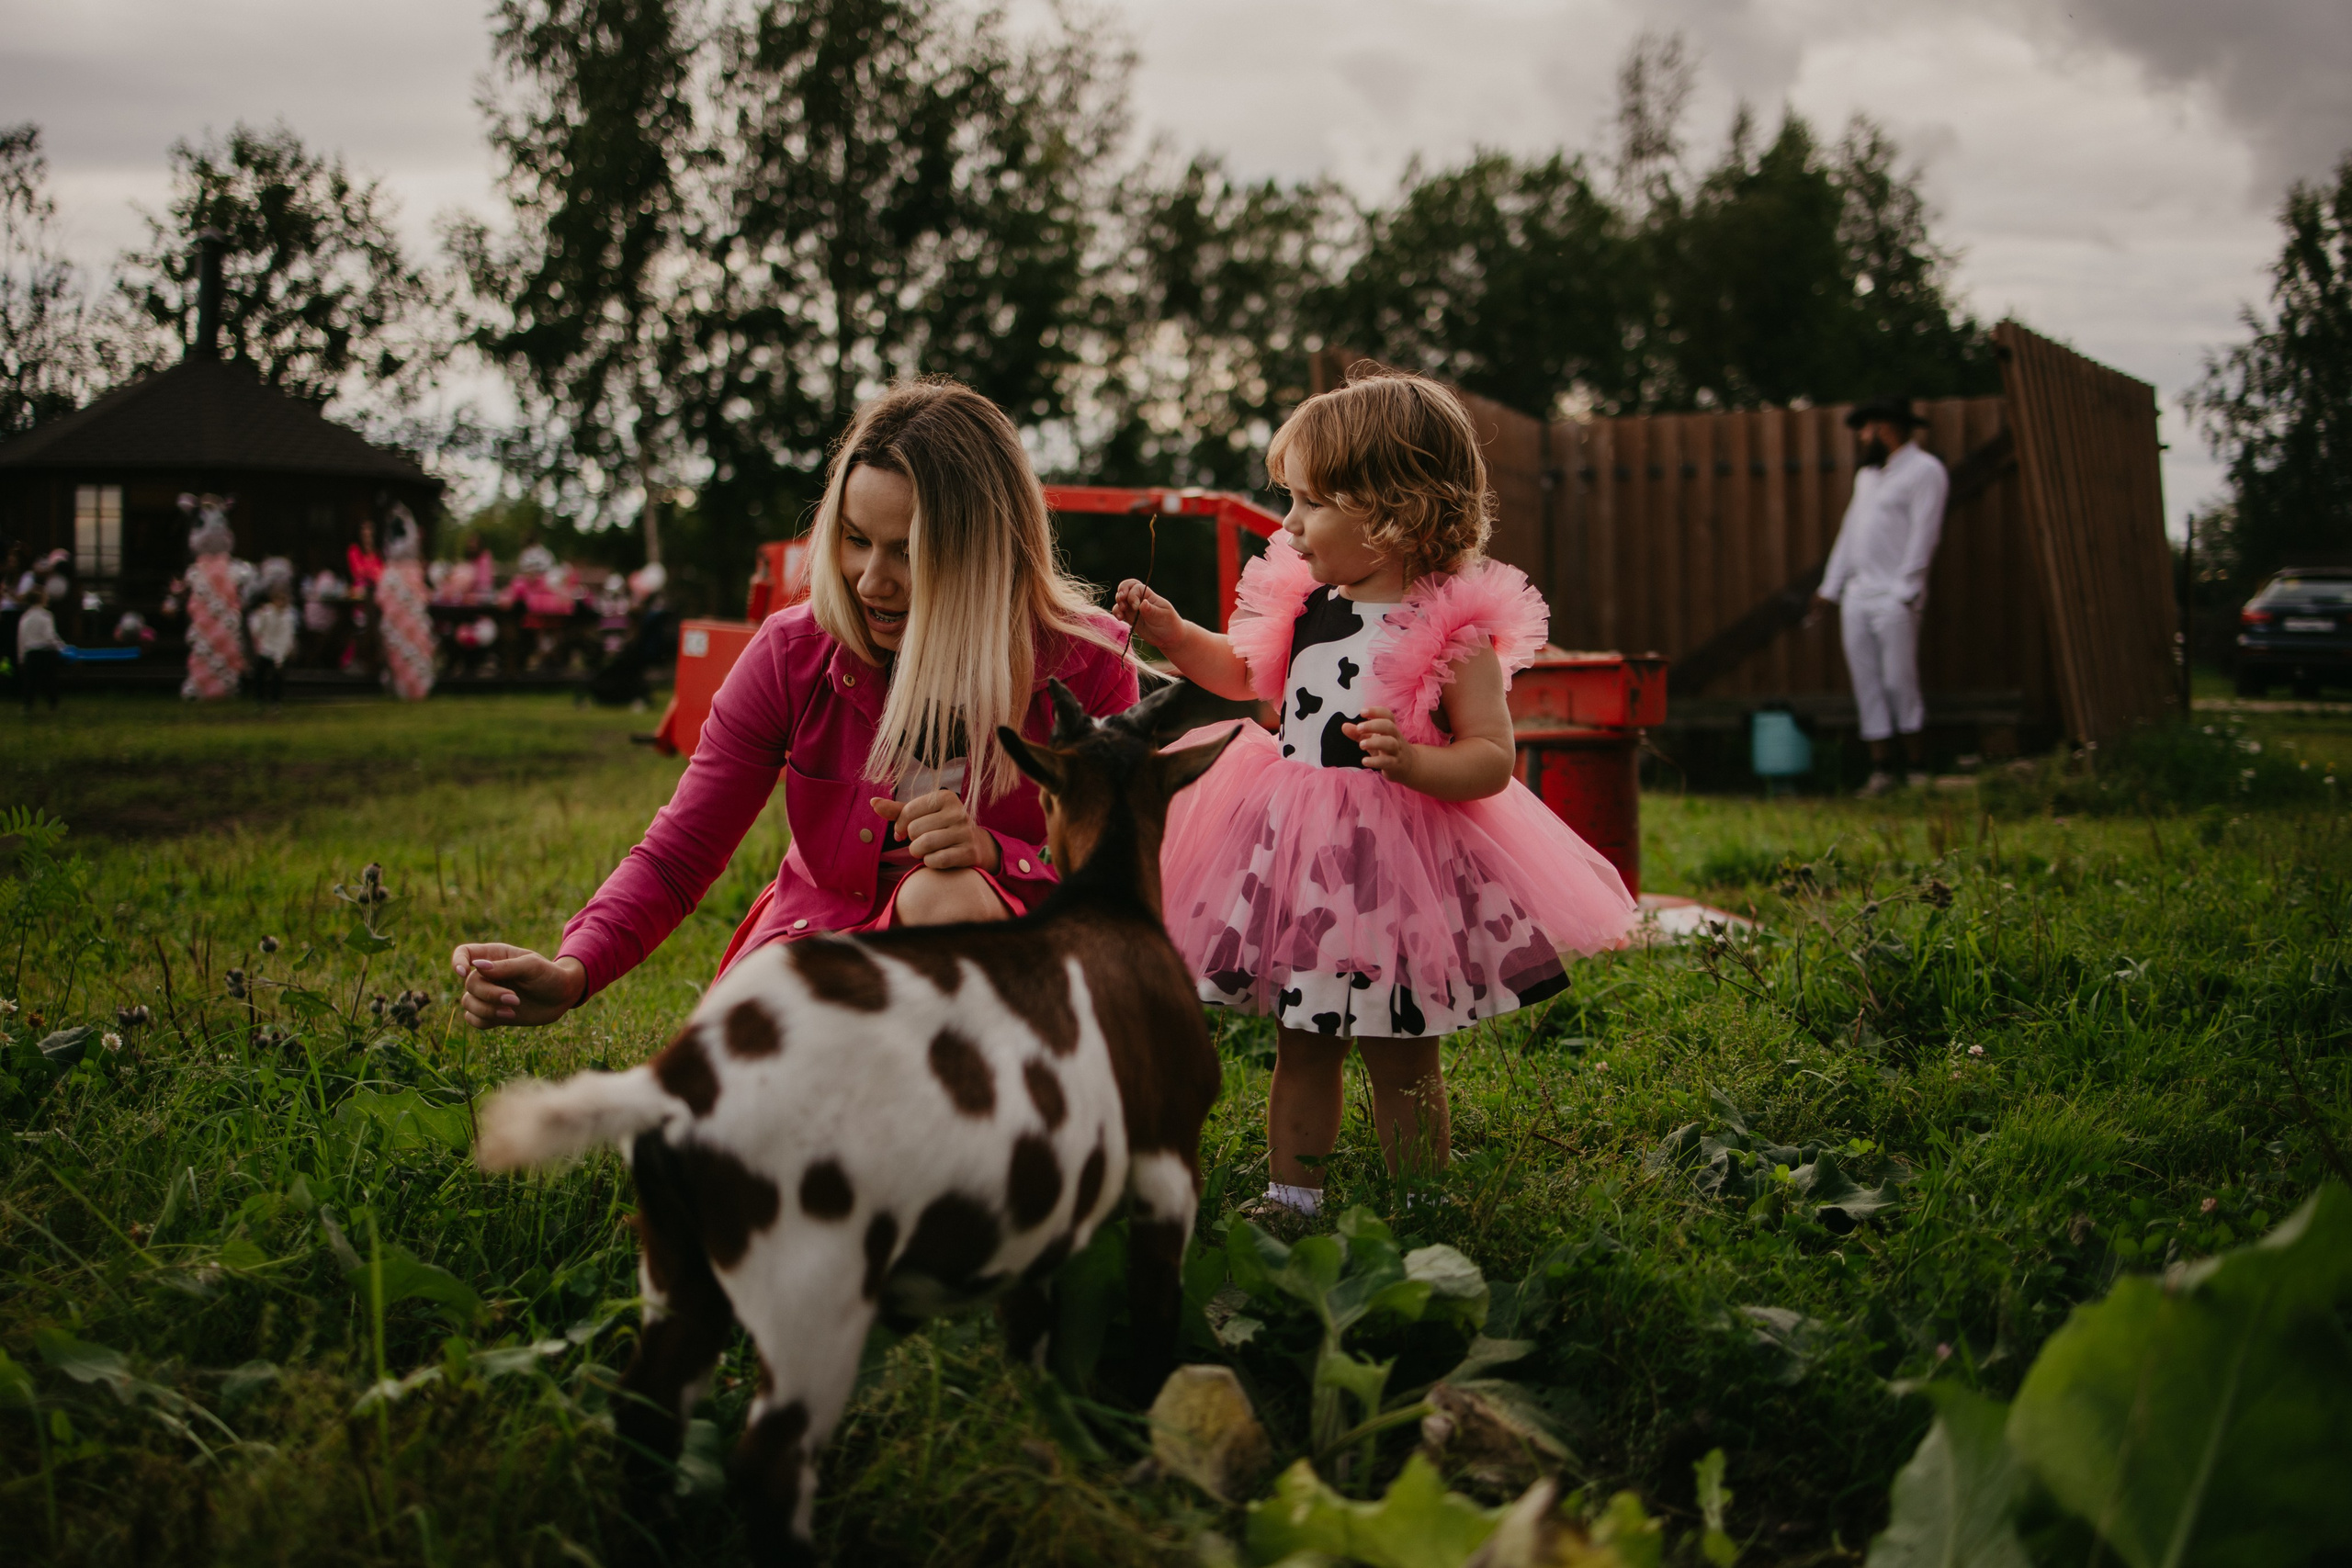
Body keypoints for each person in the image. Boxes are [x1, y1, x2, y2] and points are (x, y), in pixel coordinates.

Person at [450, 379, 1141, 1029]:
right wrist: (575, 969)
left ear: (985, 553)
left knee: (945, 894)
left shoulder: (1089, 663)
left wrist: (998, 852)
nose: (872, 580)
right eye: (856, 539)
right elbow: (680, 850)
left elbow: (1125, 870)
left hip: (1018, 968)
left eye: (909, 551)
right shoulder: (794, 651)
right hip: (820, 947)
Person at [1116, 367, 1637, 1217]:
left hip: (1399, 869)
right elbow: (1243, 673)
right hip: (1304, 861)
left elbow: (1492, 758)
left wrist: (1417, 762)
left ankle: (1421, 1197)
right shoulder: (1307, 604)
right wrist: (1174, 631)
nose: (1289, 524)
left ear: (1396, 510)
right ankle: (1293, 1197)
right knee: (1303, 1039)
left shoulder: (1448, 630)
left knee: (1402, 1051)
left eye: (1311, 502)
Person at [1814, 398, 1950, 795]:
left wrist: (1906, 591)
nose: (1862, 436)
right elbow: (1849, 533)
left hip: (1894, 596)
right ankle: (1882, 771)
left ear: (1887, 427)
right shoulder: (1869, 476)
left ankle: (1919, 769)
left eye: (1867, 428)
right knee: (1867, 683)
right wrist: (1830, 588)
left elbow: (1926, 534)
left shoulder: (1926, 471)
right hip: (1857, 595)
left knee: (1898, 681)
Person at [17, 575, 67, 713]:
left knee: (30, 682)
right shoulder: (46, 616)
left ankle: (27, 705)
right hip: (46, 653)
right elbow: (50, 636)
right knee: (50, 681)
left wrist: (21, 656)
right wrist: (61, 647)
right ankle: (53, 704)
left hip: (31, 653)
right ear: (42, 599)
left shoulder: (25, 617)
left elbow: (21, 638)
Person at [248, 582, 298, 708]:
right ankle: (259, 698)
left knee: (278, 676)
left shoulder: (289, 617)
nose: (280, 602)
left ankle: (275, 700)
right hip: (266, 648)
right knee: (260, 673)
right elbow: (257, 630)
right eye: (278, 599)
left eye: (283, 599)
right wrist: (261, 618)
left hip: (280, 649)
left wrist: (285, 652)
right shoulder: (266, 613)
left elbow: (288, 636)